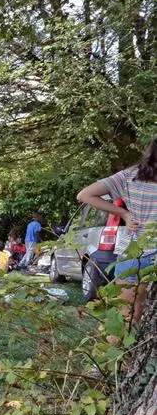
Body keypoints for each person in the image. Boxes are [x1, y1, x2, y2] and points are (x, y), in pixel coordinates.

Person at [77, 138, 157, 324]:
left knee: (125, 319)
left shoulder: (130, 176)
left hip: (135, 252)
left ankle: (117, 352)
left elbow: (84, 195)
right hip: (142, 254)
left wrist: (124, 214)